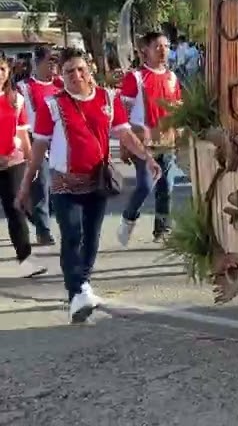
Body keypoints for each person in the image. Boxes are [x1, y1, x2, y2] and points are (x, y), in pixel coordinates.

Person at [19, 47, 158, 323]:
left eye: (80, 69)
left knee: (91, 238)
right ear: (62, 75)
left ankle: (82, 285)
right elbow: (39, 146)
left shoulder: (108, 98)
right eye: (69, 71)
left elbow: (125, 134)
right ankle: (77, 293)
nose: (75, 75)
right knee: (72, 236)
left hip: (97, 180)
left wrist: (147, 156)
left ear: (90, 71)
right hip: (63, 183)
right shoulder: (53, 105)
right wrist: (26, 183)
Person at [116, 31, 184, 245]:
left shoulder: (172, 77)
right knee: (146, 186)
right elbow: (123, 112)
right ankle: (128, 218)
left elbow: (177, 108)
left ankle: (162, 229)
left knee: (167, 186)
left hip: (167, 140)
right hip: (142, 142)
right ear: (146, 50)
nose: (163, 50)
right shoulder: (135, 77)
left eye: (166, 46)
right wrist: (124, 144)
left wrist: (180, 134)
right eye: (158, 46)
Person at [0, 59, 46, 278]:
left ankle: (26, 259)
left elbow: (22, 134)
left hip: (12, 163)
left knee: (16, 211)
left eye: (2, 69)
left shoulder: (15, 99)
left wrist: (30, 162)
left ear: (8, 72)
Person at [16, 45, 58, 245]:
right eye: (50, 61)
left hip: (58, 141)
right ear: (38, 62)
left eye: (56, 61)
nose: (53, 65)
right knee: (41, 185)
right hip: (35, 140)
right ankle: (44, 230)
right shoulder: (24, 87)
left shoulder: (60, 86)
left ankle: (31, 211)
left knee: (54, 188)